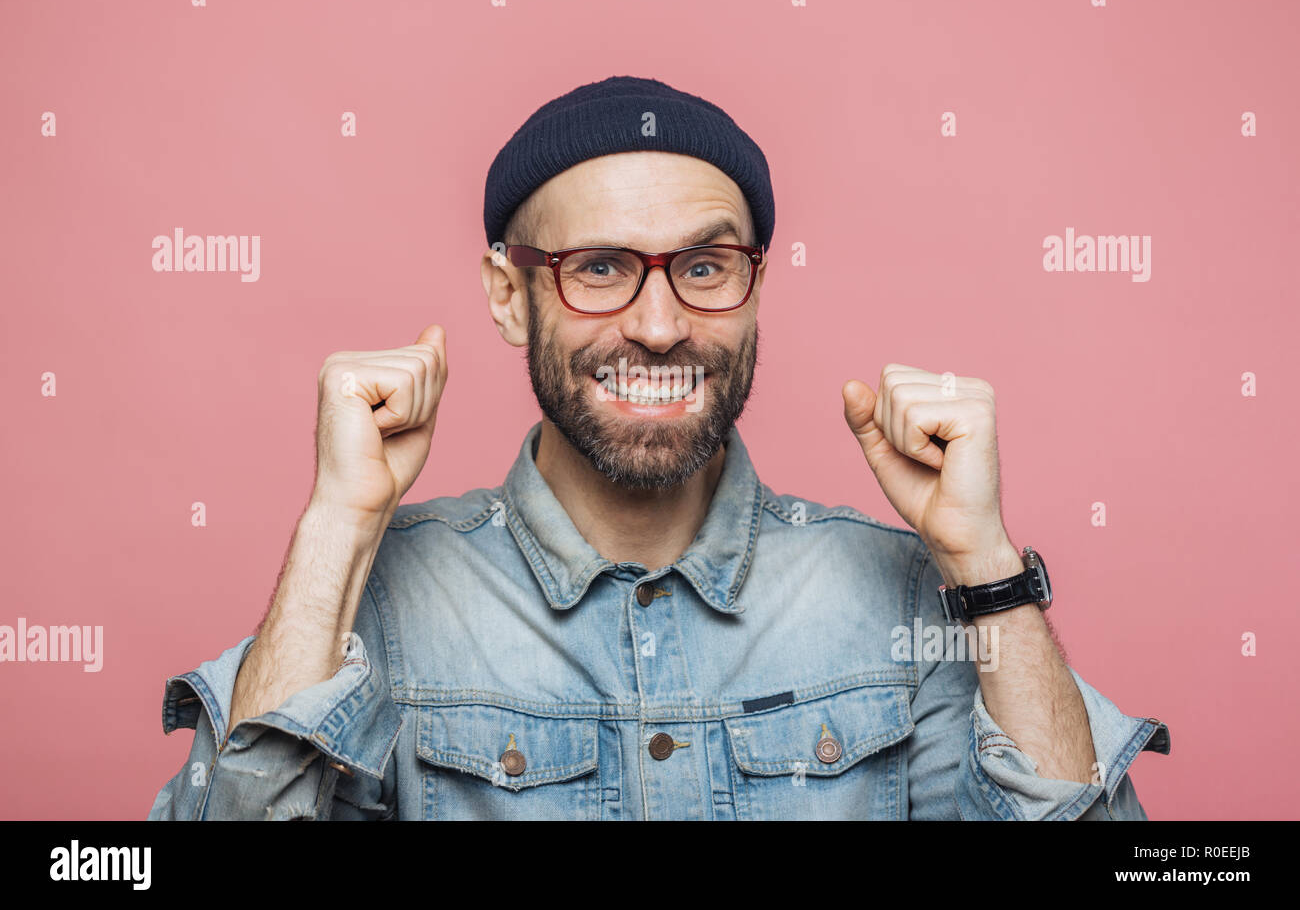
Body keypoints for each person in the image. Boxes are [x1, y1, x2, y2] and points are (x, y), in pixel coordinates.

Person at [149, 75, 1168, 820]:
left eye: (704, 264)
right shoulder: (380, 598)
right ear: (510, 295)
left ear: (755, 288)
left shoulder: (907, 592)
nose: (657, 323)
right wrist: (337, 527)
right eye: (598, 267)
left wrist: (982, 561)